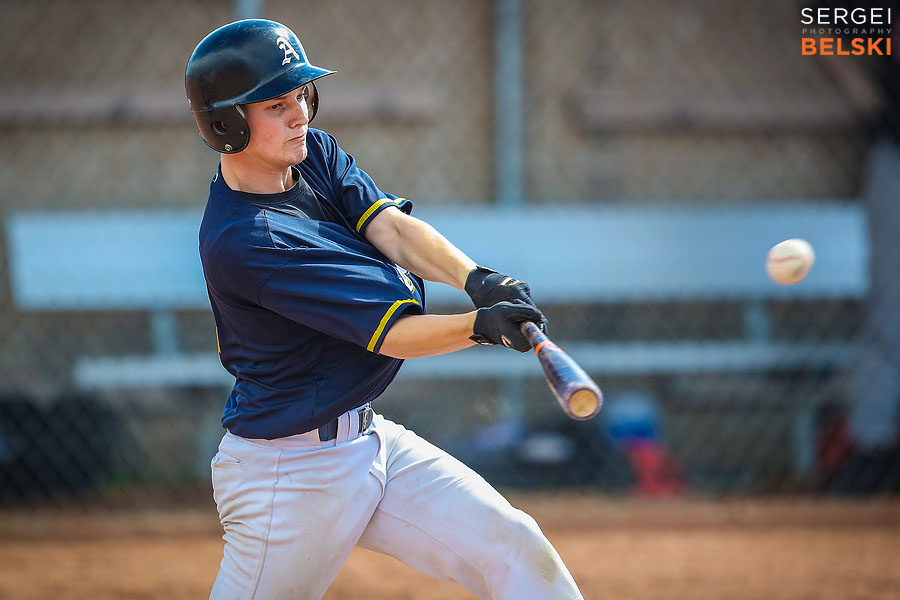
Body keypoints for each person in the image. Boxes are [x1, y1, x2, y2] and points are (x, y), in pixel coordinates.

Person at [185, 19, 583, 599]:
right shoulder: (250, 241)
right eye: (275, 105)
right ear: (226, 123)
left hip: (369, 441)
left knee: (513, 545)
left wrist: (477, 279)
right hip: (288, 476)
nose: (299, 115)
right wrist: (483, 327)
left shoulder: (311, 155)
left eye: (300, 95)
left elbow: (391, 229)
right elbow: (394, 333)